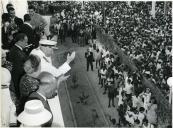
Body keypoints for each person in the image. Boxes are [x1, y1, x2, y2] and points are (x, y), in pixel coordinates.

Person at [7, 33, 28, 115]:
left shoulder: (15, 49)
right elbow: (19, 70)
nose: (27, 44)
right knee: (21, 100)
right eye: (26, 42)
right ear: (20, 41)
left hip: (17, 79)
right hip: (18, 80)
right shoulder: (17, 52)